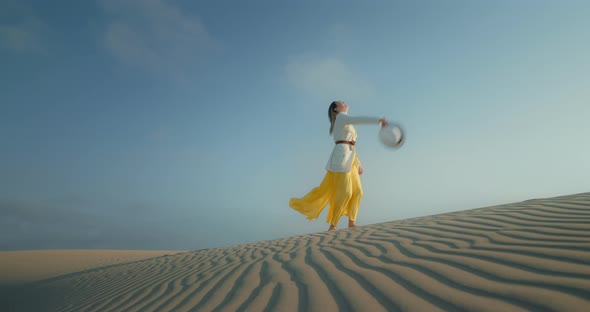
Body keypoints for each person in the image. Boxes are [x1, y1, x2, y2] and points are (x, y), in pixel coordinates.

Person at [289, 101, 388, 231]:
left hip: (351, 159)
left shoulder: (346, 121)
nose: (344, 102)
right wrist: (378, 120)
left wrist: (358, 163)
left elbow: (351, 144)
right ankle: (333, 225)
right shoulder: (341, 118)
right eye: (341, 102)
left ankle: (351, 222)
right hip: (341, 160)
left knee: (358, 192)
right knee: (346, 192)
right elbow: (358, 120)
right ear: (336, 109)